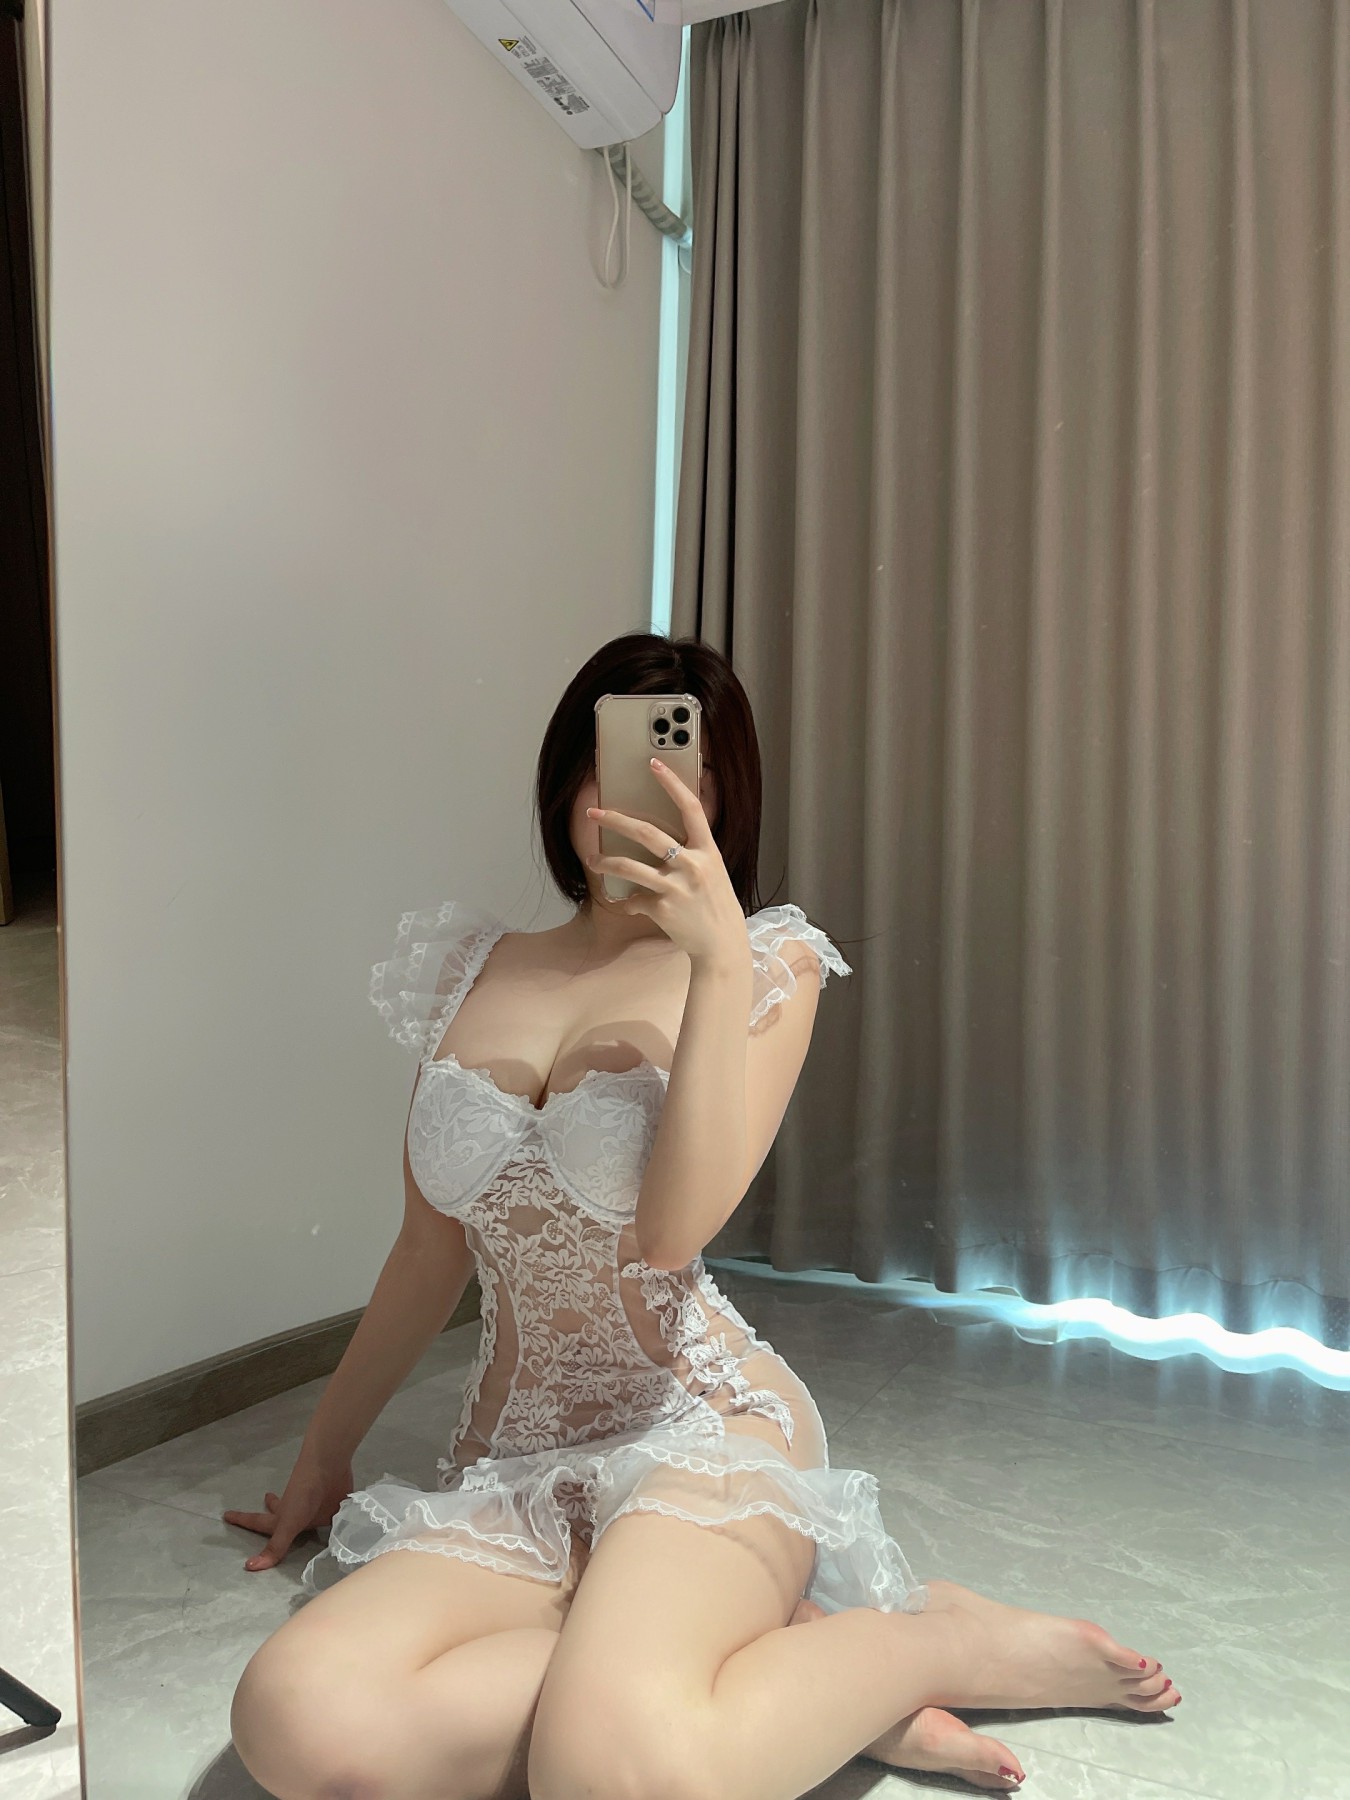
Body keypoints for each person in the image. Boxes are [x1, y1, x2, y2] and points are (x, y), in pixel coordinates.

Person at [224, 632, 1180, 1800]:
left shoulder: (768, 965)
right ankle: (765, 1675)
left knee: (610, 1780)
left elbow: (673, 1233)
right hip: (514, 1461)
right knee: (298, 1720)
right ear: (566, 776)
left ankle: (933, 1641)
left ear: (722, 799)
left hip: (702, 1430)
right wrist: (325, 1452)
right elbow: (429, 1251)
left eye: (681, 765)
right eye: (608, 755)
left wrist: (717, 964)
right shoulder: (475, 965)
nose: (631, 791)